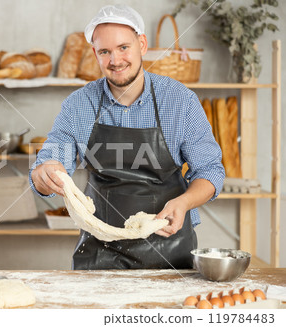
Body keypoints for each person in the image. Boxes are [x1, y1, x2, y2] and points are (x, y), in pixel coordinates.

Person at [29, 4, 225, 270]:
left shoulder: (180, 101)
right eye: (105, 51)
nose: (115, 60)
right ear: (95, 54)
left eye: (124, 47)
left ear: (142, 44)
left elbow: (210, 172)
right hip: (100, 250)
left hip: (169, 248)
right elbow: (51, 162)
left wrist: (184, 202)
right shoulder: (79, 104)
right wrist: (44, 174)